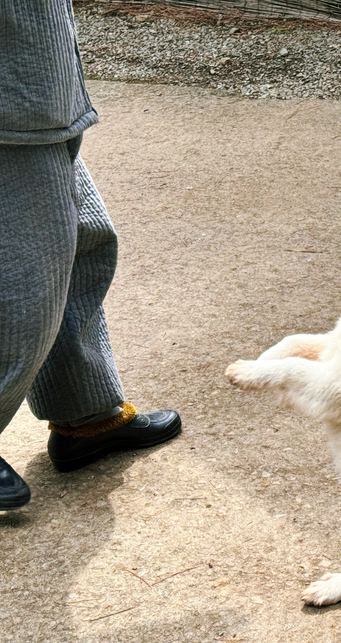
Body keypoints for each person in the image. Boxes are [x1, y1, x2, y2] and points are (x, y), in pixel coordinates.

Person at [0, 0, 181, 510]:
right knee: (26, 284)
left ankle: (86, 411)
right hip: (12, 100)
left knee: (84, 242)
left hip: (42, 86)